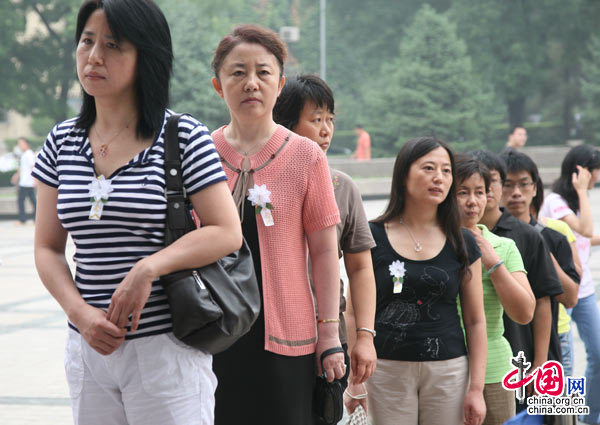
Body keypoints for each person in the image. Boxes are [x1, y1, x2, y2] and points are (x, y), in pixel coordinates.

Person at [32, 1, 241, 424]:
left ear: (145, 56)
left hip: (166, 350)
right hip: (88, 347)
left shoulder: (182, 136)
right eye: (87, 41)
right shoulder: (62, 141)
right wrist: (81, 315)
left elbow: (225, 231)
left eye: (112, 45)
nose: (94, 57)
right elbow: (47, 248)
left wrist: (148, 268)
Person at [208, 25, 345, 425]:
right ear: (219, 85)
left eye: (263, 72)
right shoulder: (200, 152)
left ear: (280, 84)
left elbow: (323, 252)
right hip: (214, 332)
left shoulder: (306, 157)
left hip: (287, 336)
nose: (251, 83)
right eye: (237, 72)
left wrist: (330, 334)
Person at [273, 74, 377, 419]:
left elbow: (360, 268)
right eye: (315, 119)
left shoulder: (343, 187)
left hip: (328, 335)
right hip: (270, 329)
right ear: (286, 122)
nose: (326, 129)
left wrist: (364, 337)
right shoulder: (261, 179)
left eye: (330, 119)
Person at [367, 137, 486, 425]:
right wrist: (355, 376)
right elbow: (357, 312)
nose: (439, 178)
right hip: (386, 369)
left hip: (449, 370)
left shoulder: (463, 241)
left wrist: (476, 388)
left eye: (447, 171)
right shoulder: (372, 236)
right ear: (403, 175)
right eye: (429, 168)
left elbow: (475, 320)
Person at [470, 150, 562, 412]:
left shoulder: (524, 237)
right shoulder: (452, 237)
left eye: (492, 182)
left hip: (518, 349)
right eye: (470, 187)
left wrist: (540, 362)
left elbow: (543, 301)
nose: (484, 192)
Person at [454, 156, 535, 425]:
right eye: (462, 192)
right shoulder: (432, 246)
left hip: (495, 371)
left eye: (479, 192)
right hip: (444, 367)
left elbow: (524, 312)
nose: (472, 201)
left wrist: (493, 263)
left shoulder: (503, 246)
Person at [540, 144, 600, 425]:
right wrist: (582, 191)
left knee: (598, 354)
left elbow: (586, 237)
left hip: (584, 290)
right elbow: (585, 229)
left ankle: (588, 416)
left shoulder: (575, 202)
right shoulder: (555, 202)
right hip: (563, 290)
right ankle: (566, 418)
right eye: (596, 170)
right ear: (582, 171)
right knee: (562, 362)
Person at [11, 137, 37, 224]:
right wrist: (16, 175)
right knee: (33, 201)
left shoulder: (29, 154)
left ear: (26, 144)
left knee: (21, 200)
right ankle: (35, 218)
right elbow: (22, 168)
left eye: (21, 143)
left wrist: (35, 180)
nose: (19, 145)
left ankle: (23, 219)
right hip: (25, 181)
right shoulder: (25, 154)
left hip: (27, 182)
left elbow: (32, 167)